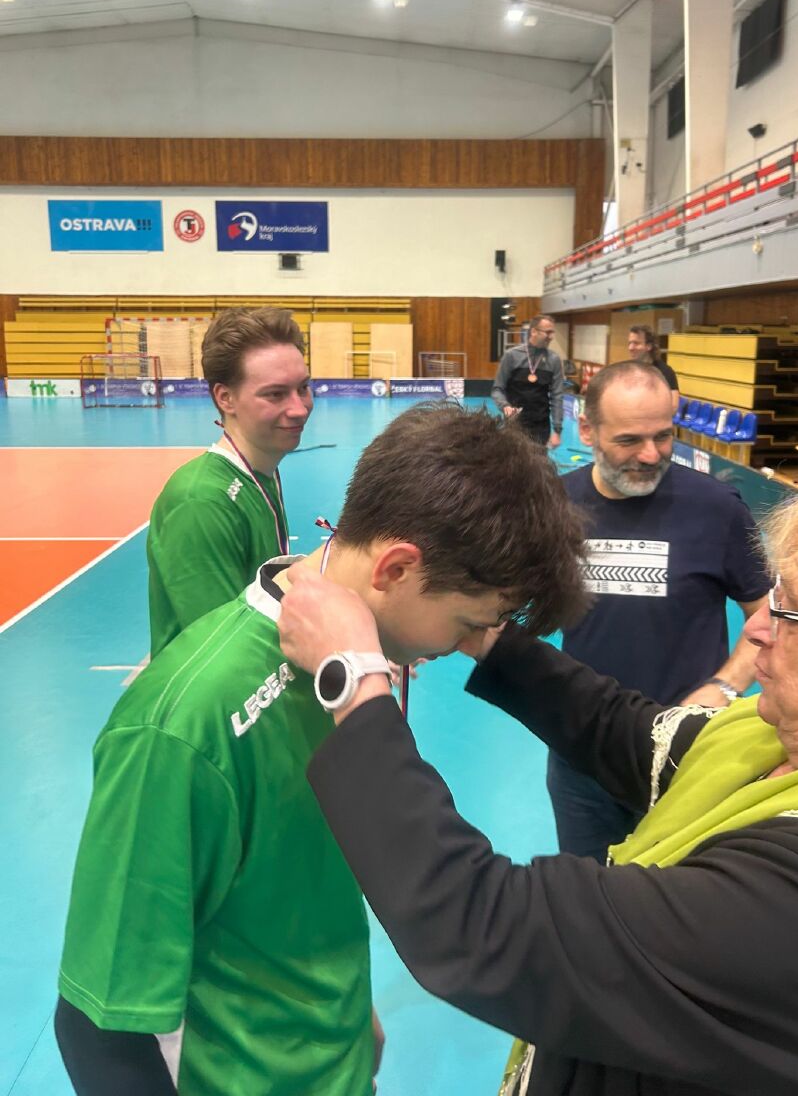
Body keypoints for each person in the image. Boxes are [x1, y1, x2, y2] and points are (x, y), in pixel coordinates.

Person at [278, 466, 798, 1096]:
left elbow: (488, 928)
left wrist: (352, 678)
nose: (759, 626)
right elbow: (625, 731)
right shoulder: (770, 739)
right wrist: (477, 625)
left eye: (796, 615)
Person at [55, 402, 588, 1096]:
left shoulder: (355, 675)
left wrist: (345, 1004)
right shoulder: (184, 726)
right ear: (396, 568)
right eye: (465, 623)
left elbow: (296, 876)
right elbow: (99, 1028)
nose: (463, 646)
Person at [548, 361, 769, 862]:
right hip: (582, 753)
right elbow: (499, 597)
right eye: (629, 440)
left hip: (687, 752)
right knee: (587, 891)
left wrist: (726, 686)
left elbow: (772, 614)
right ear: (588, 430)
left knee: (678, 895)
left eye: (663, 436)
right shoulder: (554, 506)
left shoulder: (717, 508)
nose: (650, 455)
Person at [146, 306, 312, 656]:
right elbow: (222, 649)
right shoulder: (201, 502)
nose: (299, 408)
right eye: (275, 394)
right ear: (225, 398)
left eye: (303, 388)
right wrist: (340, 656)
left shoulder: (261, 473)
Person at [492, 314, 565, 448]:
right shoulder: (511, 356)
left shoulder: (554, 360)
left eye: (552, 332)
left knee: (538, 461)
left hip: (541, 428)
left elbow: (557, 396)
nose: (551, 337)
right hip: (514, 425)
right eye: (547, 332)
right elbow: (497, 389)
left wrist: (557, 430)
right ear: (534, 331)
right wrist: (505, 406)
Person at [627, 322, 679, 411]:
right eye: (629, 343)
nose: (630, 348)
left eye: (636, 343)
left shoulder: (665, 372)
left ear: (649, 346)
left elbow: (673, 406)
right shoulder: (629, 370)